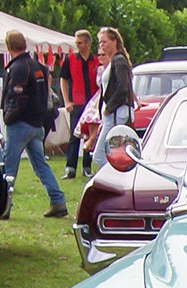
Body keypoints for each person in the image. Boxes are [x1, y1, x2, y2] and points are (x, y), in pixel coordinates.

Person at [3, 29, 67, 218]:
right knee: (41, 166)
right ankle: (58, 201)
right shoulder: (37, 66)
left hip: (20, 124)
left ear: (8, 47)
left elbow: (17, 96)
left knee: (9, 167)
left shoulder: (18, 68)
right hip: (37, 123)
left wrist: (8, 117)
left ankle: (4, 205)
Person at [56, 29, 99, 179]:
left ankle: (86, 167)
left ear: (88, 43)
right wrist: (67, 100)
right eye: (76, 43)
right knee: (74, 135)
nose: (77, 46)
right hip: (77, 102)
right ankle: (70, 167)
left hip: (92, 104)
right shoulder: (71, 59)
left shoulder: (96, 60)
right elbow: (63, 79)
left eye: (80, 43)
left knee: (90, 135)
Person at [92, 26, 133, 172]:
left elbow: (123, 87)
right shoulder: (114, 61)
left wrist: (109, 107)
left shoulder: (119, 60)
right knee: (108, 153)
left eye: (104, 42)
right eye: (100, 43)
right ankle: (115, 177)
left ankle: (113, 179)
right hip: (113, 113)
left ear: (114, 41)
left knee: (100, 155)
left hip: (117, 113)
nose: (101, 45)